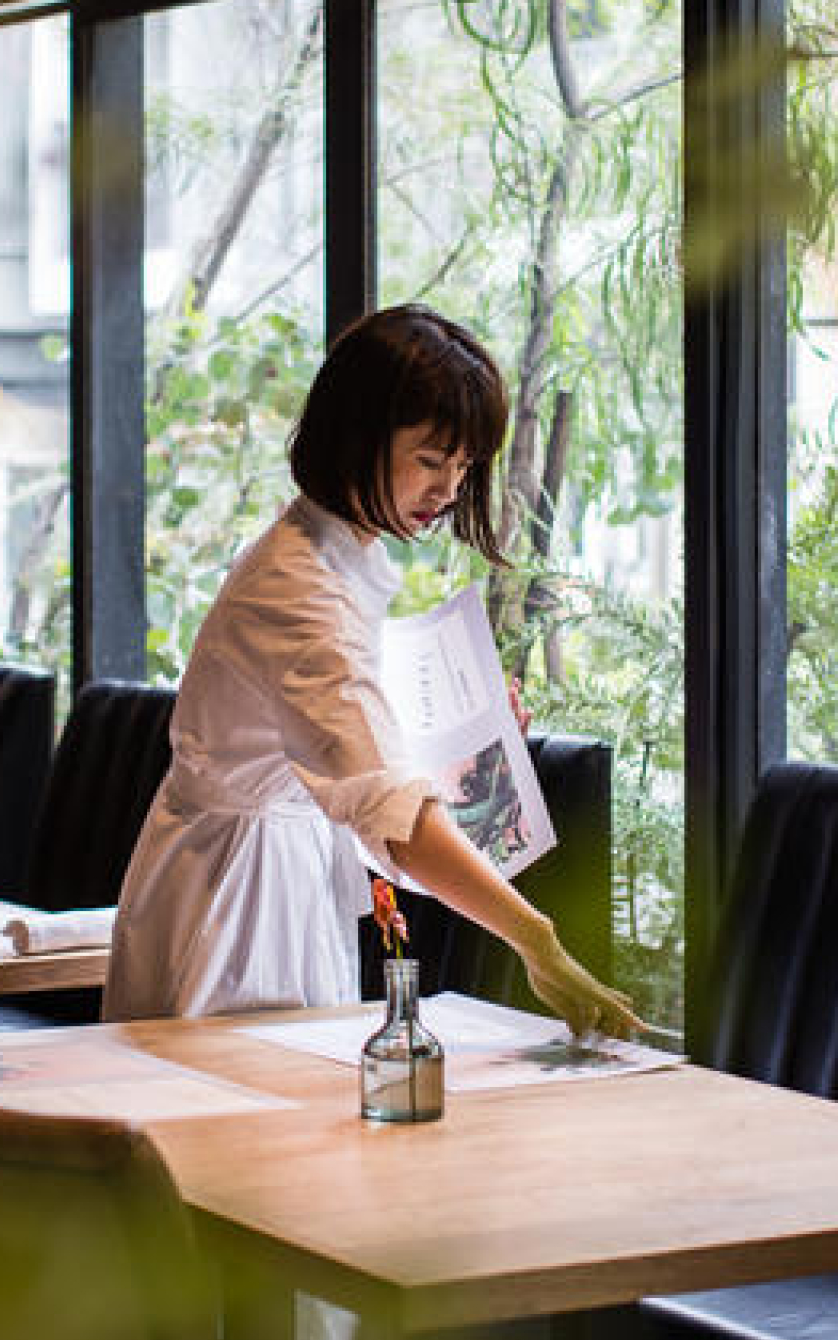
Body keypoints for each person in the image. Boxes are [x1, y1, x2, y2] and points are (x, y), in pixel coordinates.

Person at [103, 304, 637, 1040]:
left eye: (463, 467)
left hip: (276, 874)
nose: (448, 490)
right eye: (431, 460)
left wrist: (475, 748)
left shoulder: (337, 554)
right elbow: (383, 802)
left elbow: (352, 762)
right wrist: (535, 941)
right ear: (357, 437)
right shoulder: (297, 589)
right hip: (235, 901)